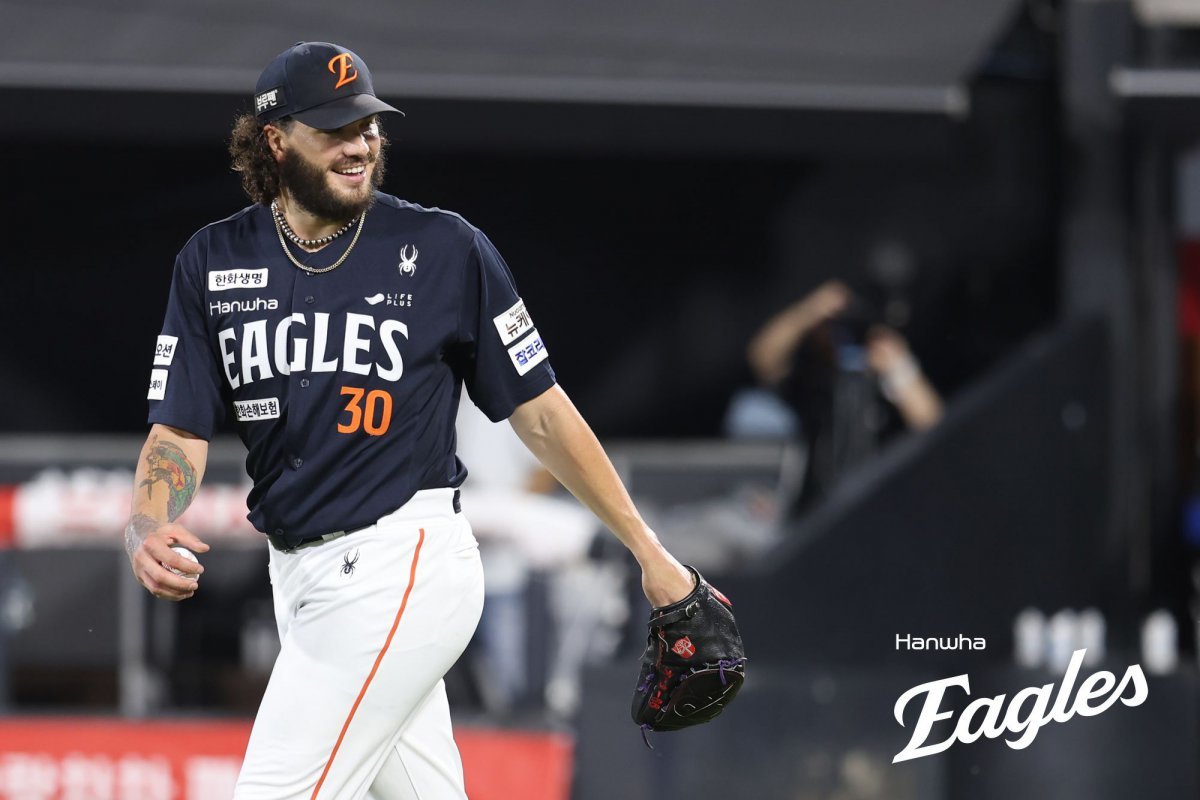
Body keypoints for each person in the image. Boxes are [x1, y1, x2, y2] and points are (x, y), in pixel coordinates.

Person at [122, 41, 694, 800]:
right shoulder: (212, 259)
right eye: (334, 128)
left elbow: (543, 413)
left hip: (400, 562)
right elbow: (179, 429)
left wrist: (649, 552)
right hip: (300, 576)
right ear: (276, 140)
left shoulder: (443, 247)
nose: (360, 143)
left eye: (368, 125)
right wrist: (148, 521)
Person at [746, 280, 942, 511]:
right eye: (837, 327)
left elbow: (933, 426)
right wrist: (809, 311)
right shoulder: (813, 379)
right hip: (817, 508)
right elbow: (763, 357)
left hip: (878, 507)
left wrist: (899, 367)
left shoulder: (886, 379)